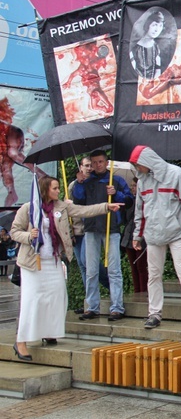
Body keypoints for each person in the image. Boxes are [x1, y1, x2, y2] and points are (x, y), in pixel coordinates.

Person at [10, 176, 121, 360]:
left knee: (57, 296)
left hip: (52, 261)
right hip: (32, 263)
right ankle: (21, 341)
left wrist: (106, 207)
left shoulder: (60, 206)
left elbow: (82, 210)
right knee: (32, 301)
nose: (58, 191)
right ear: (45, 189)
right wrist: (29, 236)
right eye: (55, 188)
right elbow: (14, 232)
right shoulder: (29, 208)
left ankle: (47, 331)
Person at [129, 145, 181, 330]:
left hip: (176, 234)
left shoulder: (176, 174)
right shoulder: (142, 181)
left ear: (147, 161)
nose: (137, 169)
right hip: (154, 236)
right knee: (153, 275)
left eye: (138, 164)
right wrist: (137, 235)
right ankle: (154, 314)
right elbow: (139, 210)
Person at [72, 150, 133, 322]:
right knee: (91, 270)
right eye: (94, 162)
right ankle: (92, 306)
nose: (97, 165)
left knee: (114, 270)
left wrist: (115, 193)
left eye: (100, 162)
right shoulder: (87, 181)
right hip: (91, 228)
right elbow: (78, 202)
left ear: (106, 163)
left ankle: (117, 307)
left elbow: (128, 202)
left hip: (111, 228)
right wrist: (78, 183)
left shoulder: (117, 180)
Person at [68, 157, 110, 312]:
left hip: (89, 228)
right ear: (80, 167)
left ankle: (108, 285)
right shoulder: (73, 185)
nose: (89, 168)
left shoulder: (93, 183)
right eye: (86, 166)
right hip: (76, 230)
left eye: (90, 165)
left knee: (89, 262)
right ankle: (89, 301)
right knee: (83, 267)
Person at [120, 177, 148, 294]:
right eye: (131, 186)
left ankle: (143, 291)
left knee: (141, 266)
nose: (132, 188)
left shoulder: (145, 201)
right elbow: (125, 218)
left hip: (141, 236)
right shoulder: (130, 201)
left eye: (135, 185)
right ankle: (137, 291)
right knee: (133, 267)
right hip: (128, 236)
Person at [130, 11, 165, 79]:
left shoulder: (156, 47)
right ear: (148, 25)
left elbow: (158, 70)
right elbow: (132, 73)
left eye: (160, 26)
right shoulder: (134, 48)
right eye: (154, 25)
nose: (157, 30)